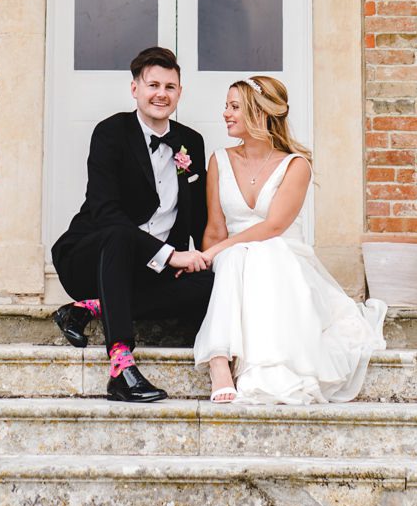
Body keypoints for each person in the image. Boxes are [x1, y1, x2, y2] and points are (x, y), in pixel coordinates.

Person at [194, 74, 386, 404]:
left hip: (283, 254)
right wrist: (206, 257)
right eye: (226, 106)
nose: (225, 113)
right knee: (236, 257)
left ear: (261, 112)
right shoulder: (219, 160)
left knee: (259, 253)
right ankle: (218, 363)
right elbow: (215, 229)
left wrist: (222, 250)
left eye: (235, 107)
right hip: (232, 260)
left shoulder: (296, 165)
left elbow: (273, 226)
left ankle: (258, 364)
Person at [49, 45, 215, 403]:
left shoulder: (191, 143)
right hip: (91, 257)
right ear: (134, 88)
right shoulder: (111, 132)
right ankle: (121, 368)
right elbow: (105, 211)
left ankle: (89, 309)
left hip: (148, 272)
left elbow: (199, 217)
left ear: (180, 93)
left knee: (214, 283)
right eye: (152, 84)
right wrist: (171, 256)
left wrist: (209, 256)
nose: (161, 94)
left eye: (169, 87)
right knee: (121, 234)